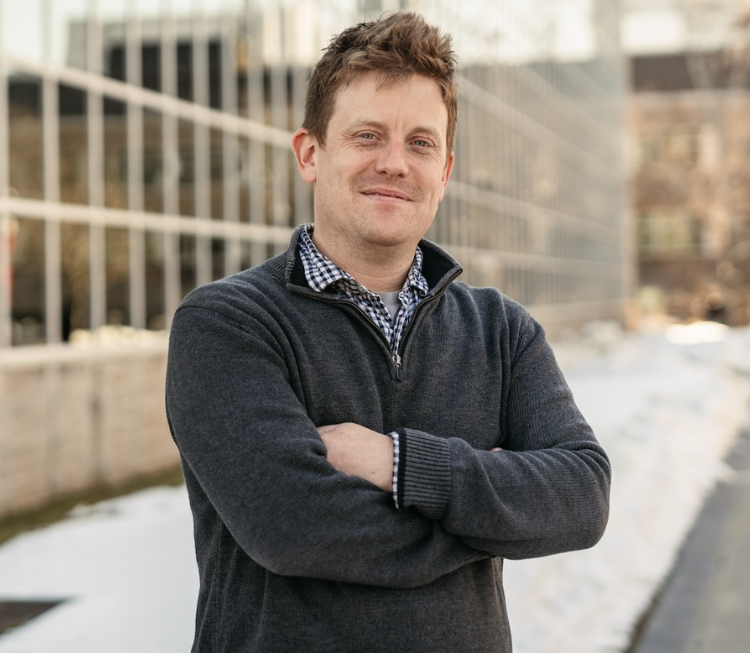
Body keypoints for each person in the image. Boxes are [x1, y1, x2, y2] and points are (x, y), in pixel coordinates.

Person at [165, 12, 610, 652]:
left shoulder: (502, 331)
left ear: (446, 170)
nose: (395, 164)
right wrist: (495, 508)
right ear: (311, 153)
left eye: (421, 143)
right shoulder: (228, 324)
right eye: (368, 135)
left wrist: (398, 464)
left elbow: (582, 498)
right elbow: (295, 526)